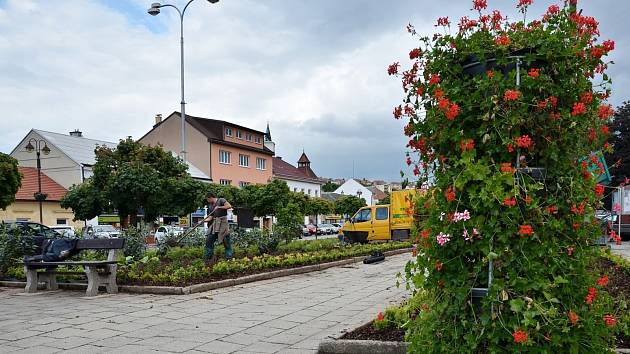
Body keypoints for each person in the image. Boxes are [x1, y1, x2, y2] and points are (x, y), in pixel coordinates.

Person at [201, 192, 233, 262]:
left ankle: (229, 258)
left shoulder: (221, 200)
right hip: (215, 224)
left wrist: (219, 207)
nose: (207, 201)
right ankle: (208, 257)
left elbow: (229, 206)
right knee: (209, 240)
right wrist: (202, 221)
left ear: (210, 197)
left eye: (207, 199)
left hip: (223, 223)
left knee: (226, 242)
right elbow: (210, 218)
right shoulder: (210, 206)